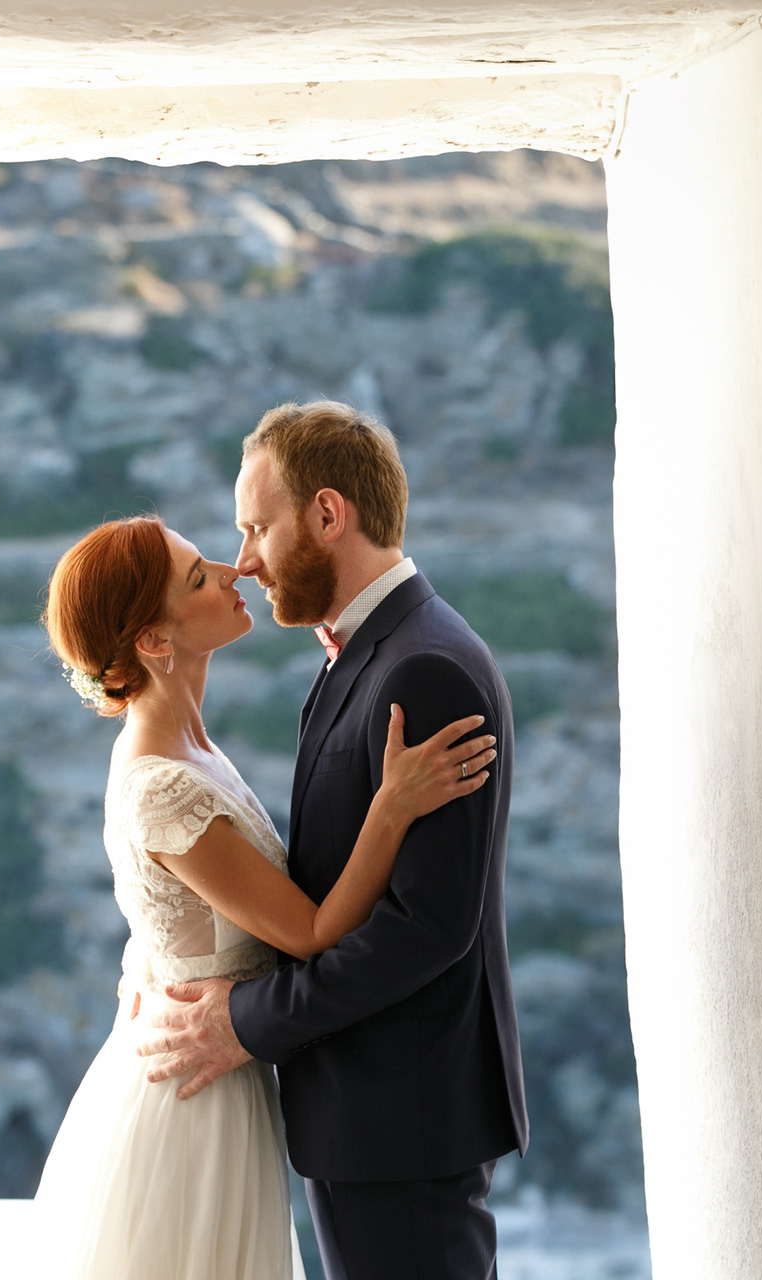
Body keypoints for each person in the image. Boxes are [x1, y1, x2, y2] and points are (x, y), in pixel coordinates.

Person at [33, 511, 498, 1280]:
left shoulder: (191, 746)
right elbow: (310, 932)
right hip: (193, 1103)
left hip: (228, 1073)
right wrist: (393, 806)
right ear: (155, 640)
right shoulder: (163, 784)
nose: (234, 570)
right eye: (199, 577)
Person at [139, 401, 528, 1280]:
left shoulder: (422, 669)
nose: (244, 560)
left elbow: (427, 927)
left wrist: (246, 1023)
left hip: (403, 1113)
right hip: (371, 1111)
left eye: (256, 528)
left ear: (326, 514)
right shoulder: (368, 652)